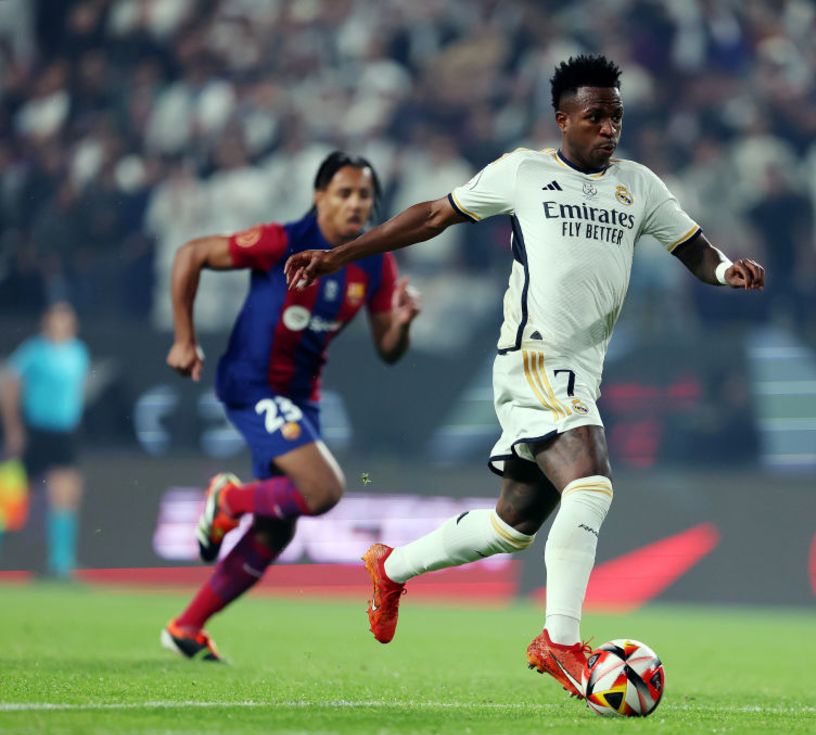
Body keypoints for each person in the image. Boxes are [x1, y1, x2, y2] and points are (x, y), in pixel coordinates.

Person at [286, 55, 764, 697]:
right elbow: (432, 216)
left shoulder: (639, 185)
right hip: (536, 357)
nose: (608, 128)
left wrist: (727, 271)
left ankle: (391, 568)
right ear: (562, 119)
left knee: (513, 524)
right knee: (591, 486)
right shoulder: (524, 172)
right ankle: (560, 643)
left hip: (580, 371)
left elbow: (693, 248)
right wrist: (338, 256)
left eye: (616, 116)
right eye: (595, 116)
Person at [161, 151, 421, 662]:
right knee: (322, 489)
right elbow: (190, 253)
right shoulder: (283, 241)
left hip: (302, 398)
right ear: (318, 197)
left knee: (278, 526)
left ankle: (186, 627)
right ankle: (229, 500)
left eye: (364, 195)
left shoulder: (374, 259)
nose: (355, 204)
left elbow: (388, 351)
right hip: (252, 384)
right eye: (343, 193)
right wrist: (184, 339)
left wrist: (403, 323)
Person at [0, 301, 90, 580]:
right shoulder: (35, 351)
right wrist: (14, 428)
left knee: (66, 495)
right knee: (12, 496)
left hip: (64, 433)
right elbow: (8, 384)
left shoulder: (78, 352)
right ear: (46, 322)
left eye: (66, 319)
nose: (61, 324)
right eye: (56, 318)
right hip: (35, 431)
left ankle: (60, 564)